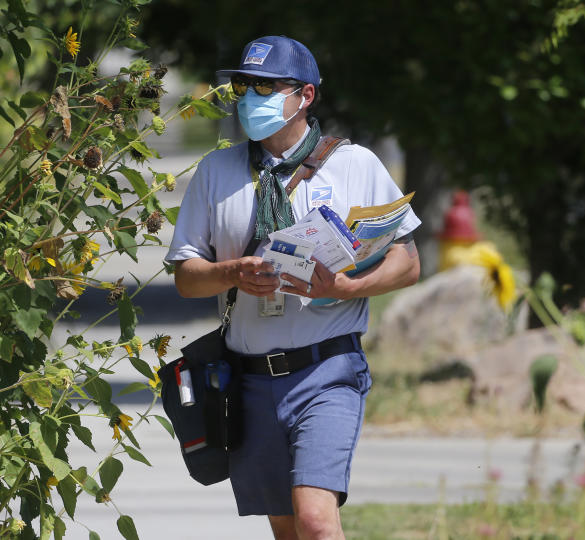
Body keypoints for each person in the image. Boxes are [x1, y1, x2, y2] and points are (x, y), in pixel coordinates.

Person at [165, 35, 421, 540]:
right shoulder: (216, 171)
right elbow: (185, 279)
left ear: (304, 96)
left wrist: (348, 287)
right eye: (242, 86)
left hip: (327, 370)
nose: (248, 98)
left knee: (316, 522)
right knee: (287, 530)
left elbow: (408, 263)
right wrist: (234, 273)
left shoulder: (356, 165)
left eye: (264, 86)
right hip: (250, 378)